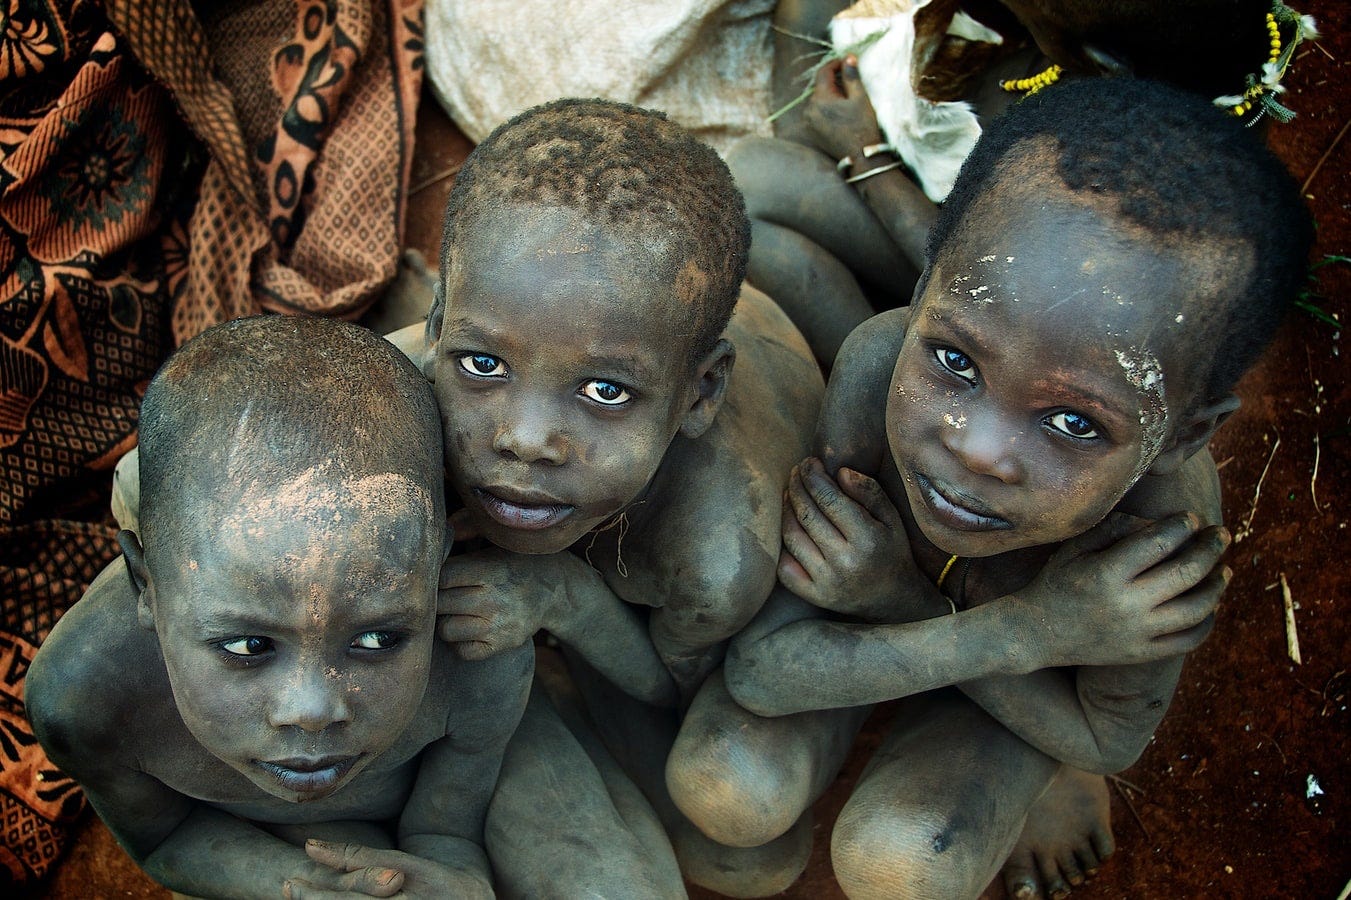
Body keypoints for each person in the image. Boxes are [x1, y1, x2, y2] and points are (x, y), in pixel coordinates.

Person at [667, 77, 1313, 898]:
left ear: (1182, 436)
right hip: (954, 640)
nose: (977, 453)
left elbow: (1103, 737)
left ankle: (1042, 784)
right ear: (920, 293)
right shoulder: (873, 372)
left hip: (1029, 699)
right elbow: (762, 672)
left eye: (1074, 423)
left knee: (903, 866)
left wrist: (998, 628)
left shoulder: (1159, 541)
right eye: (954, 361)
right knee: (722, 786)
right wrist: (1006, 622)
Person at [399, 97, 825, 896]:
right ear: (436, 330)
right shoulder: (428, 371)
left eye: (603, 390)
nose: (525, 440)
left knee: (745, 861)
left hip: (753, 339)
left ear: (699, 395)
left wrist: (561, 596)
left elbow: (676, 686)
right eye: (483, 365)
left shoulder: (719, 548)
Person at [26, 316, 533, 898]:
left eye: (377, 640)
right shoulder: (86, 700)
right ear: (147, 587)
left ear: (434, 569)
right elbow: (163, 837)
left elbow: (446, 830)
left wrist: (448, 881)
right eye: (247, 647)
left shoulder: (481, 658)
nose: (312, 711)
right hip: (241, 841)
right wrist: (297, 888)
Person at [736, 0, 1312, 363]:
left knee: (757, 180)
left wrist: (864, 154)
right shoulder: (1176, 37)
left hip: (977, 278)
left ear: (1099, 66)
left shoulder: (1121, 179)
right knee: (807, 11)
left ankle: (899, 368)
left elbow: (993, 280)